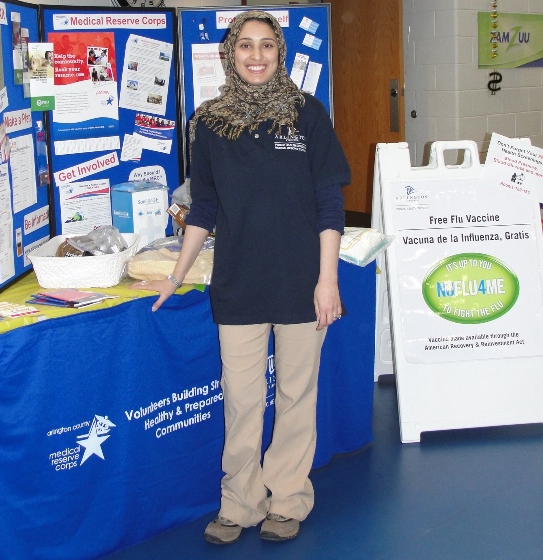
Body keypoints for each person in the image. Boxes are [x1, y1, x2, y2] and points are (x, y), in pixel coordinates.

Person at [131, 9, 350, 545]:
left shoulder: (307, 114)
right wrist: (177, 275)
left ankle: (289, 498)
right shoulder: (208, 122)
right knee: (242, 398)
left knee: (297, 396)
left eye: (267, 46)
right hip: (238, 282)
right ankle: (241, 502)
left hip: (302, 280)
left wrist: (328, 280)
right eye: (245, 45)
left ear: (279, 53)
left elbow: (329, 203)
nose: (256, 56)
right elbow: (202, 208)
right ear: (230, 54)